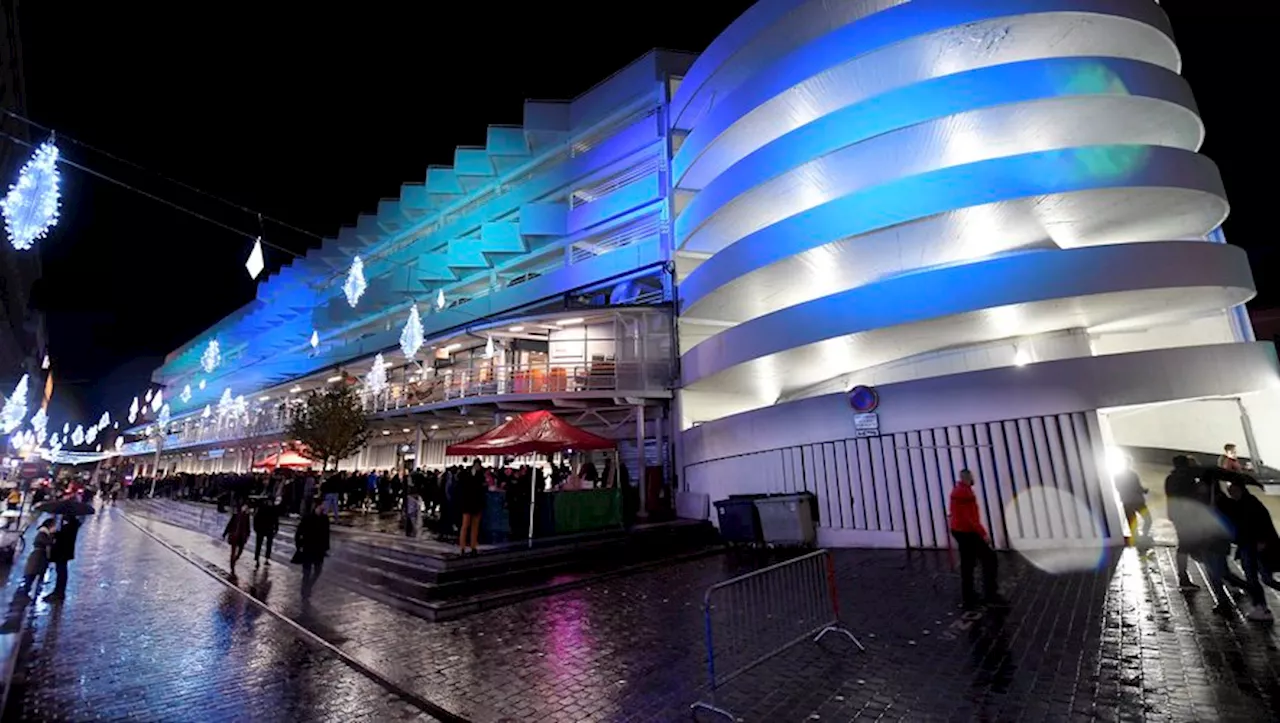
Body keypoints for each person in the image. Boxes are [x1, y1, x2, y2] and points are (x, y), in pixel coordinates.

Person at [1222, 480, 1276, 621]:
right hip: (1249, 545)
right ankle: (1261, 607)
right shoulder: (1241, 503)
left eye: (1233, 490)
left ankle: (1261, 608)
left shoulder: (1250, 504)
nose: (1231, 493)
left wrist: (1262, 541)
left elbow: (1262, 523)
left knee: (1262, 578)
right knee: (1260, 578)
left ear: (1240, 489)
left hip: (1254, 546)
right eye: (1230, 491)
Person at [949, 469, 1002, 609]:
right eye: (972, 477)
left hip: (959, 530)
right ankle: (990, 593)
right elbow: (970, 517)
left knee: (968, 562)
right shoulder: (965, 493)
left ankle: (969, 594)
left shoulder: (957, 490)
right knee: (990, 558)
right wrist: (983, 534)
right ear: (967, 478)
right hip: (967, 532)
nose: (974, 479)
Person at [1164, 455, 1201, 589]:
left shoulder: (1170, 478)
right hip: (1187, 516)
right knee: (1185, 545)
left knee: (1184, 544)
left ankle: (1183, 575)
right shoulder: (1187, 479)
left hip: (1176, 515)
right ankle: (1183, 577)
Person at [1113, 456, 1152, 544]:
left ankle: (1136, 538)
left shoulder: (1117, 475)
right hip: (1137, 500)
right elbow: (1136, 487)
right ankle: (1144, 536)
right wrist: (1144, 490)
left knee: (1132, 520)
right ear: (1129, 464)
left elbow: (1118, 488)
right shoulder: (1133, 475)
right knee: (1148, 519)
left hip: (1126, 500)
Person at [295, 500, 331, 596]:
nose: (325, 506)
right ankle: (304, 590)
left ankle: (308, 586)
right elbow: (299, 532)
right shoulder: (308, 518)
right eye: (323, 505)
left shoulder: (325, 518)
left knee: (318, 571)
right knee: (306, 572)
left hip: (319, 550)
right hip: (308, 548)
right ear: (317, 506)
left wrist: (326, 548)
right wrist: (299, 546)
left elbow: (326, 534)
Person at [44, 515, 81, 602]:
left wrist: (56, 534)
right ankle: (58, 591)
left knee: (61, 572)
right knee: (60, 571)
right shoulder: (70, 524)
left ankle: (59, 593)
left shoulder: (71, 525)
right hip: (63, 552)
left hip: (63, 552)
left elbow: (65, 537)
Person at [19, 518, 55, 598]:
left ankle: (32, 594)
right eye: (53, 525)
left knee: (36, 577)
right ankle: (25, 594)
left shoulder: (45, 533)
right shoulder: (42, 533)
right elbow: (47, 543)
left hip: (40, 559)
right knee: (30, 577)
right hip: (37, 559)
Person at [458, 459, 486, 555]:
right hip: (472, 504)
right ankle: (466, 546)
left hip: (471, 504)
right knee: (469, 526)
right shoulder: (476, 475)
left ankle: (468, 546)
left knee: (469, 526)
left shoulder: (476, 475)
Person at [222, 503, 251, 574]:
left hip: (242, 536)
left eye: (246, 508)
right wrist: (225, 533)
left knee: (240, 551)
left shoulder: (247, 517)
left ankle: (235, 559)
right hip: (234, 535)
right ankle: (232, 565)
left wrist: (248, 534)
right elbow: (230, 524)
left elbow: (248, 526)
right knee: (233, 551)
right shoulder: (236, 515)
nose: (245, 509)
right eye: (244, 508)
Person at [253, 500, 280, 566]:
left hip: (265, 529)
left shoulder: (270, 509)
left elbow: (276, 519)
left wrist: (276, 528)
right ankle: (259, 559)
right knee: (262, 544)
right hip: (264, 528)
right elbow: (256, 518)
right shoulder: (266, 508)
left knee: (264, 544)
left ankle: (262, 559)